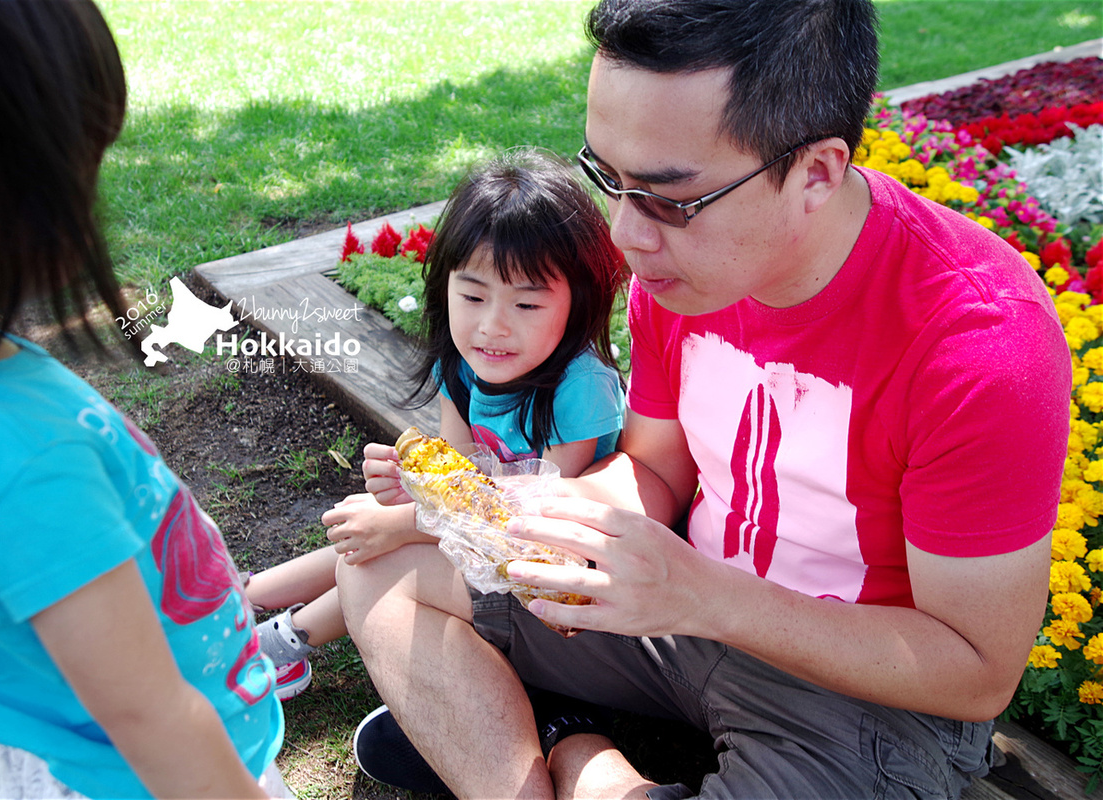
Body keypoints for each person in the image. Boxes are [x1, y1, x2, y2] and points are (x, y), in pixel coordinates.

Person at [339, 0, 1073, 798]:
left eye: (667, 197)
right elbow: (653, 472)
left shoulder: (979, 345)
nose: (625, 233)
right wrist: (525, 518)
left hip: (864, 689)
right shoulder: (685, 268)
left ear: (817, 173)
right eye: (607, 178)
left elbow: (974, 674)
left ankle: (578, 752)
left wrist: (704, 595)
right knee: (383, 566)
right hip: (675, 607)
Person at [0, 1, 291, 797]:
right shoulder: (17, 460)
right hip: (146, 773)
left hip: (52, 740)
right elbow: (150, 716)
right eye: (82, 165)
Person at [244, 147, 627, 699]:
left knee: (389, 541)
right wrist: (407, 488)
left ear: (580, 302)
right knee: (378, 524)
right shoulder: (463, 365)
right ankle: (239, 600)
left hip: (544, 573)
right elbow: (459, 476)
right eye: (472, 295)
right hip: (479, 533)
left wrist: (403, 524)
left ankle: (283, 645)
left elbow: (542, 513)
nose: (492, 326)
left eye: (527, 306)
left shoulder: (580, 388)